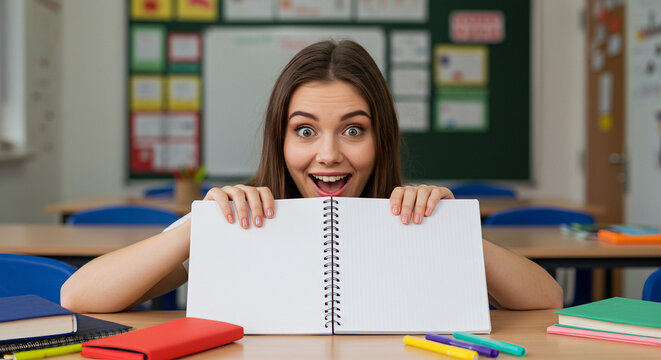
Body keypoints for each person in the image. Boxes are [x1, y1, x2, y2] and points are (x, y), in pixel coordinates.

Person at [61, 40, 562, 313]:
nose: (328, 154)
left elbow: (546, 300)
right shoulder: (245, 221)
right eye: (304, 131)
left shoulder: (414, 217)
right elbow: (79, 297)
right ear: (279, 141)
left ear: (381, 138)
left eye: (352, 129)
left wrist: (451, 227)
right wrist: (200, 227)